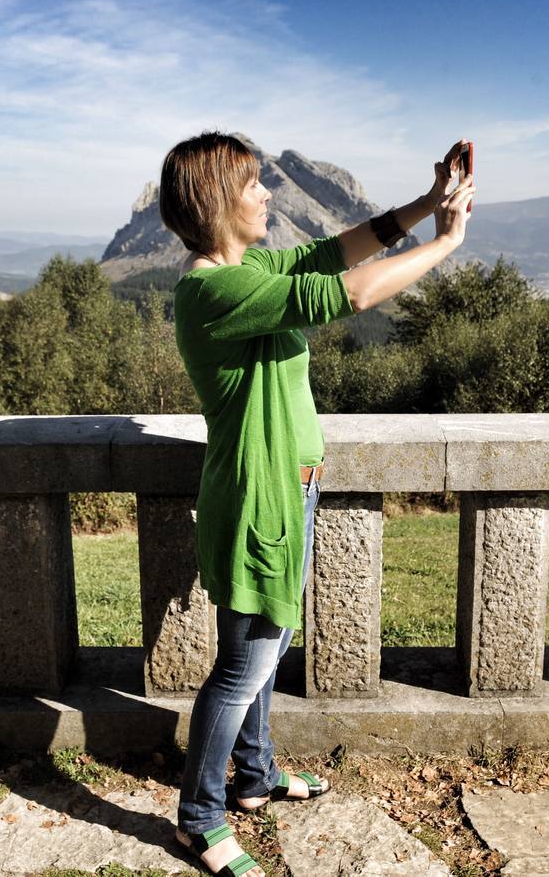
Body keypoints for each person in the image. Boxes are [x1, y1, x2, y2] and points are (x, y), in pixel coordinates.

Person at [161, 132, 475, 877]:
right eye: (253, 185)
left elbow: (336, 253)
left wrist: (427, 202)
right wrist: (447, 243)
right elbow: (354, 291)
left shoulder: (249, 267)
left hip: (290, 485)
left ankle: (256, 777)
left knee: (267, 649)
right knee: (244, 665)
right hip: (258, 495)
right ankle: (198, 817)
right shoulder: (213, 289)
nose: (267, 194)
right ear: (215, 201)